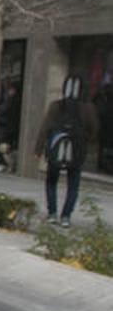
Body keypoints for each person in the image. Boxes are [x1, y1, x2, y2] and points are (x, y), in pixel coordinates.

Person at [35, 75, 100, 227]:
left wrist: (38, 148)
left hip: (56, 148)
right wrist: (86, 140)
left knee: (51, 181)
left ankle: (52, 213)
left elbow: (45, 127)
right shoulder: (88, 108)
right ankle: (66, 216)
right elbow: (94, 129)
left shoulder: (56, 106)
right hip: (77, 149)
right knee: (73, 184)